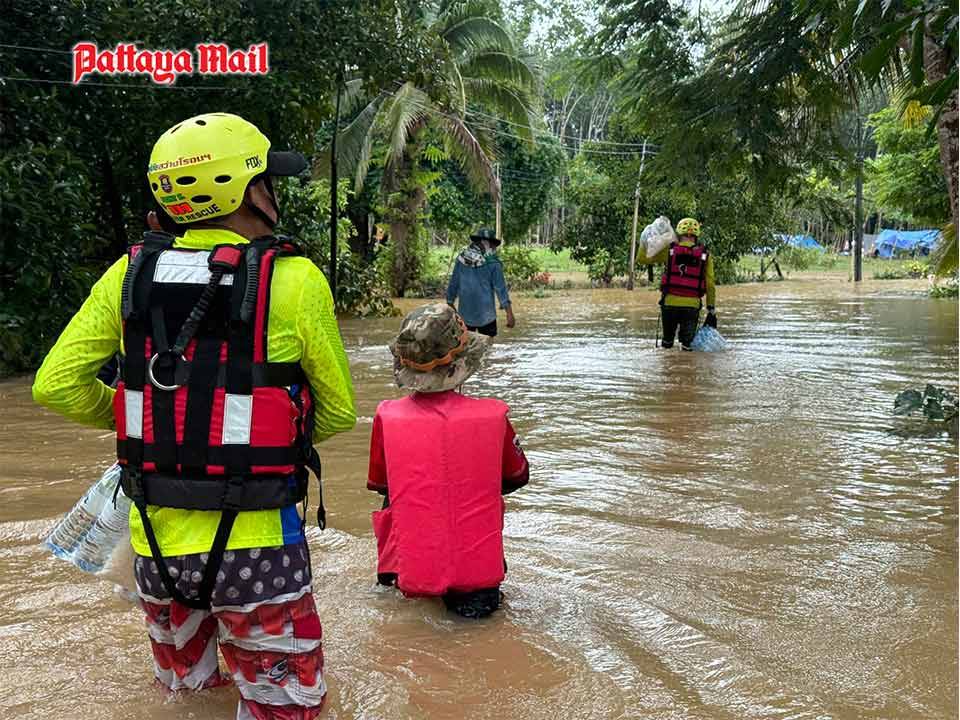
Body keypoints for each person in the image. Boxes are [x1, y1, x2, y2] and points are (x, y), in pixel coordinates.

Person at [33, 112, 355, 719]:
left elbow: (54, 386)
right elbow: (338, 413)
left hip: (156, 550)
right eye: (267, 180)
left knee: (187, 700)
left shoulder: (127, 273)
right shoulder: (295, 279)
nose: (274, 192)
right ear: (246, 192)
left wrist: (150, 424)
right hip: (259, 550)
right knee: (286, 709)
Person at [367, 303, 529, 618]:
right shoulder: (493, 417)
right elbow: (517, 478)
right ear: (462, 365)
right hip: (476, 581)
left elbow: (383, 484)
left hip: (405, 572)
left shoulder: (387, 416)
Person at [643, 217, 716, 350]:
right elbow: (710, 284)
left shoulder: (668, 250)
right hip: (692, 306)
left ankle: (667, 360)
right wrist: (711, 308)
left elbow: (648, 257)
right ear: (696, 235)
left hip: (669, 303)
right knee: (687, 346)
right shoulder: (705, 255)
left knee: (667, 343)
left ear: (678, 233)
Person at [445, 228, 515, 337]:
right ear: (487, 244)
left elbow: (453, 284)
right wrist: (509, 314)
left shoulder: (461, 260)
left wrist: (450, 303)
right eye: (492, 245)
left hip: (465, 316)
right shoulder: (493, 263)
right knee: (488, 345)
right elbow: (501, 290)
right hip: (487, 317)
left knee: (466, 345)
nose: (493, 248)